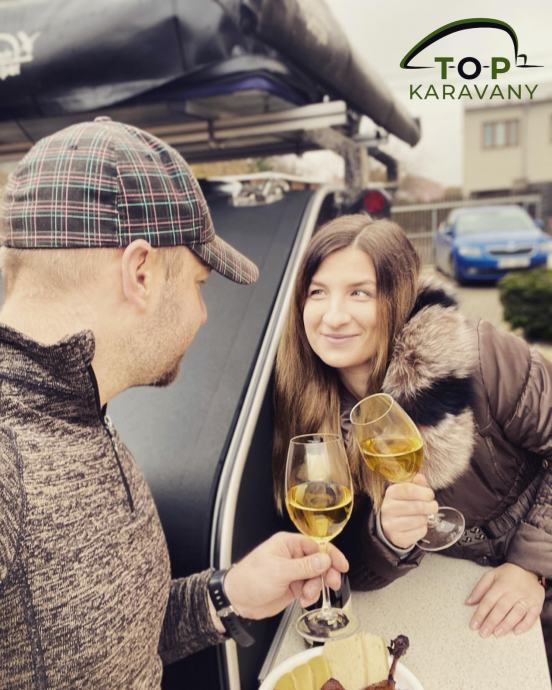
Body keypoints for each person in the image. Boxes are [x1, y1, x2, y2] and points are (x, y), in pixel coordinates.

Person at [0, 118, 349, 689]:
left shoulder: (84, 411)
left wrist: (229, 594)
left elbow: (113, 646)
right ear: (140, 272)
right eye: (199, 284)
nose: (203, 314)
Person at [273, 214, 551, 671]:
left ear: (398, 295)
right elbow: (348, 563)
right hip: (465, 602)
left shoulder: (479, 356)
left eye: (360, 293)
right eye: (318, 292)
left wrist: (530, 566)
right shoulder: (308, 407)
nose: (334, 316)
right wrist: (389, 539)